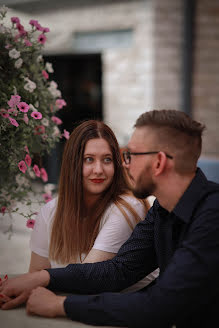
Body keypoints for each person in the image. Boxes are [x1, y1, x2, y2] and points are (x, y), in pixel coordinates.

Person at [1, 109, 219, 328]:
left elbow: (158, 306)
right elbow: (118, 270)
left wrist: (61, 305)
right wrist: (43, 278)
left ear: (159, 162)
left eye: (130, 155)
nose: (124, 164)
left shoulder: (213, 216)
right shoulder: (162, 210)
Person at [28, 119, 157, 289]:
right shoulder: (50, 211)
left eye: (107, 160)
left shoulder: (127, 207)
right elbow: (35, 277)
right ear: (73, 164)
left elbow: (85, 279)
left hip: (126, 309)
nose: (98, 170)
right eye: (89, 159)